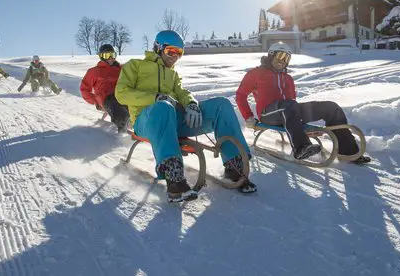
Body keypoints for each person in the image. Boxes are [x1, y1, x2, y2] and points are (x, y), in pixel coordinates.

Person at [115, 30, 256, 202]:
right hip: (147, 121)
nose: (174, 57)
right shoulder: (135, 66)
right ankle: (174, 178)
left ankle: (235, 167)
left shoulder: (172, 75)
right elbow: (121, 94)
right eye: (170, 51)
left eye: (179, 53)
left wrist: (191, 104)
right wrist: (155, 98)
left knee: (221, 105)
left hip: (173, 120)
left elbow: (182, 92)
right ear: (158, 48)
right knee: (163, 107)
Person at [236, 42, 370, 164]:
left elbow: (292, 103)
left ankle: (349, 151)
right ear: (271, 56)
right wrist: (248, 116)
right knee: (288, 105)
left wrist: (301, 126)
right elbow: (241, 95)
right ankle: (301, 148)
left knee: (331, 108)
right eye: (280, 56)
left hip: (288, 111)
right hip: (268, 114)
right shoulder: (256, 73)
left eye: (286, 58)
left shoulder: (288, 78)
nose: (283, 61)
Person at [81, 44, 130, 133]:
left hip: (121, 94)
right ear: (101, 56)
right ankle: (122, 135)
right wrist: (95, 101)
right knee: (119, 111)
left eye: (113, 55)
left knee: (134, 105)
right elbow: (84, 89)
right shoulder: (94, 71)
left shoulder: (121, 69)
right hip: (106, 98)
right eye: (107, 55)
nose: (111, 58)